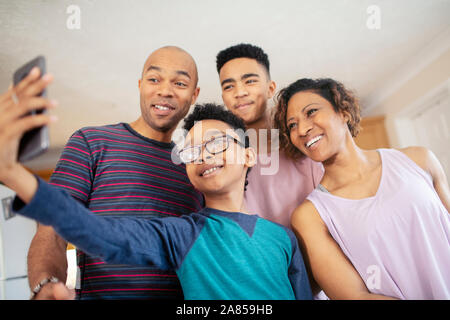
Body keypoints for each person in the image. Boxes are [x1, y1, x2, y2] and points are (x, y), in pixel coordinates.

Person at [2, 103, 313, 300]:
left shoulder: (282, 237)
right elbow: (101, 234)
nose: (203, 154)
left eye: (216, 143)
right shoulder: (182, 234)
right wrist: (16, 176)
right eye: (192, 151)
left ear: (248, 155)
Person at [12, 46, 204, 299]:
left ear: (194, 94)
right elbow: (52, 227)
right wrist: (46, 283)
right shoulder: (91, 142)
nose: (164, 90)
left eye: (180, 83)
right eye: (154, 79)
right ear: (140, 84)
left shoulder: (196, 169)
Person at [273, 77, 450, 299]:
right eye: (292, 125)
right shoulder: (310, 216)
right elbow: (355, 296)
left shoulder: (420, 159)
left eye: (311, 112)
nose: (302, 129)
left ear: (343, 111)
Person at [216, 44, 323, 228]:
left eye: (249, 81)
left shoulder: (306, 146)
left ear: (270, 88)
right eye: (229, 86)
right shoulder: (222, 162)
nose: (239, 93)